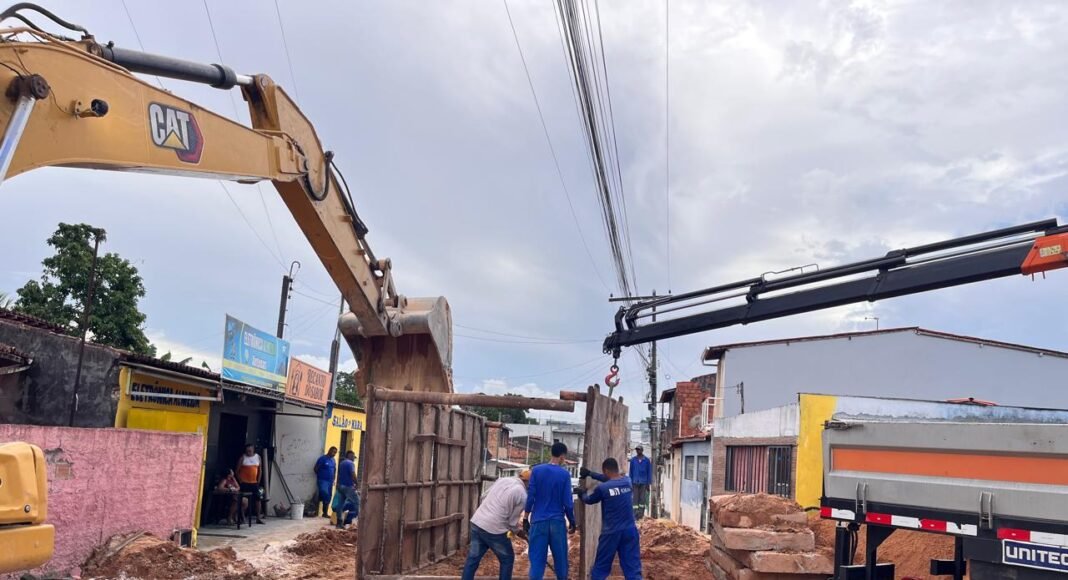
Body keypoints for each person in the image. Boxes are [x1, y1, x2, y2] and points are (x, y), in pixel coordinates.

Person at [578, 458, 643, 580]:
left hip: (611, 533)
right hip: (630, 530)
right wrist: (591, 474)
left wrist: (582, 494)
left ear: (606, 471)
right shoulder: (627, 481)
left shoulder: (603, 489)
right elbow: (609, 480)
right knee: (633, 568)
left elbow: (589, 500)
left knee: (601, 567)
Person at [462, 469, 532, 580]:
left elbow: (483, 497)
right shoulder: (523, 495)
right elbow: (512, 524)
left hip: (478, 522)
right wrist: (524, 535)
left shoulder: (503, 480)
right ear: (529, 482)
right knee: (507, 559)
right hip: (494, 529)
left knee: (473, 559)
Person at [523, 442, 577, 580]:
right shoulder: (564, 475)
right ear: (562, 456)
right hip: (557, 523)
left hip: (538, 521)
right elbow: (568, 503)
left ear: (551, 453)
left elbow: (531, 497)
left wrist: (525, 518)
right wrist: (572, 522)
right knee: (561, 561)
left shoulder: (536, 471)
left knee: (537, 561)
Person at [236, 444, 265, 524]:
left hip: (254, 482)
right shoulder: (243, 458)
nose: (248, 452)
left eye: (250, 451)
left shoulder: (258, 457)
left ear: (253, 450)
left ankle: (258, 517)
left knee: (258, 499)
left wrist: (258, 481)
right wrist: (241, 481)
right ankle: (242, 517)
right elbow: (237, 471)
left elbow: (260, 470)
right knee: (245, 501)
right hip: (244, 483)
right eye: (247, 451)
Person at [335, 450, 359, 529]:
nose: (353, 459)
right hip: (348, 486)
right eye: (353, 457)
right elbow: (353, 474)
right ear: (350, 456)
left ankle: (339, 523)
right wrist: (357, 483)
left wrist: (337, 484)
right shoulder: (350, 463)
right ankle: (361, 522)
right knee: (357, 503)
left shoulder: (342, 463)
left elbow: (339, 474)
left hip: (341, 486)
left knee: (340, 504)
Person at [628, 446, 652, 519]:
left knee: (642, 499)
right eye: (637, 450)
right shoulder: (633, 460)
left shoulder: (647, 460)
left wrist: (648, 483)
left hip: (643, 482)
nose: (637, 451)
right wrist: (630, 483)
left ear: (642, 450)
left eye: (639, 450)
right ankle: (635, 514)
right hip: (635, 482)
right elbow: (631, 472)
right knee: (635, 499)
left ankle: (641, 514)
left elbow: (649, 472)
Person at [314, 447, 338, 518]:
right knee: (324, 494)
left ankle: (325, 513)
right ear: (329, 450)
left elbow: (334, 470)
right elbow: (315, 469)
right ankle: (316, 511)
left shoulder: (333, 460)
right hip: (322, 480)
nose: (334, 454)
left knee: (329, 496)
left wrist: (333, 479)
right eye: (333, 452)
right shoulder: (322, 459)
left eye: (335, 452)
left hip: (330, 481)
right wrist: (320, 476)